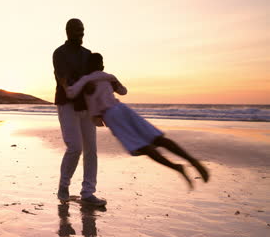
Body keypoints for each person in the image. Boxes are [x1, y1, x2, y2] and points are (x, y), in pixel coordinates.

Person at [65, 53, 209, 189]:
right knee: (157, 138)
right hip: (122, 108)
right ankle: (192, 160)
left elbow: (71, 93)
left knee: (144, 147)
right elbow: (123, 91)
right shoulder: (109, 77)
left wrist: (64, 83)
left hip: (111, 116)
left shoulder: (86, 79)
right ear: (102, 65)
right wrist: (114, 85)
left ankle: (176, 167)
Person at [53, 18, 107, 206]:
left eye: (82, 30)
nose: (80, 33)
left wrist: (100, 106)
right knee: (75, 147)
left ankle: (88, 192)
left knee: (91, 149)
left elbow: (96, 79)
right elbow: (62, 76)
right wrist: (69, 87)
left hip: (87, 106)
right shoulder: (59, 53)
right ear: (68, 31)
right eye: (77, 30)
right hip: (67, 104)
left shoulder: (88, 54)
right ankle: (63, 187)